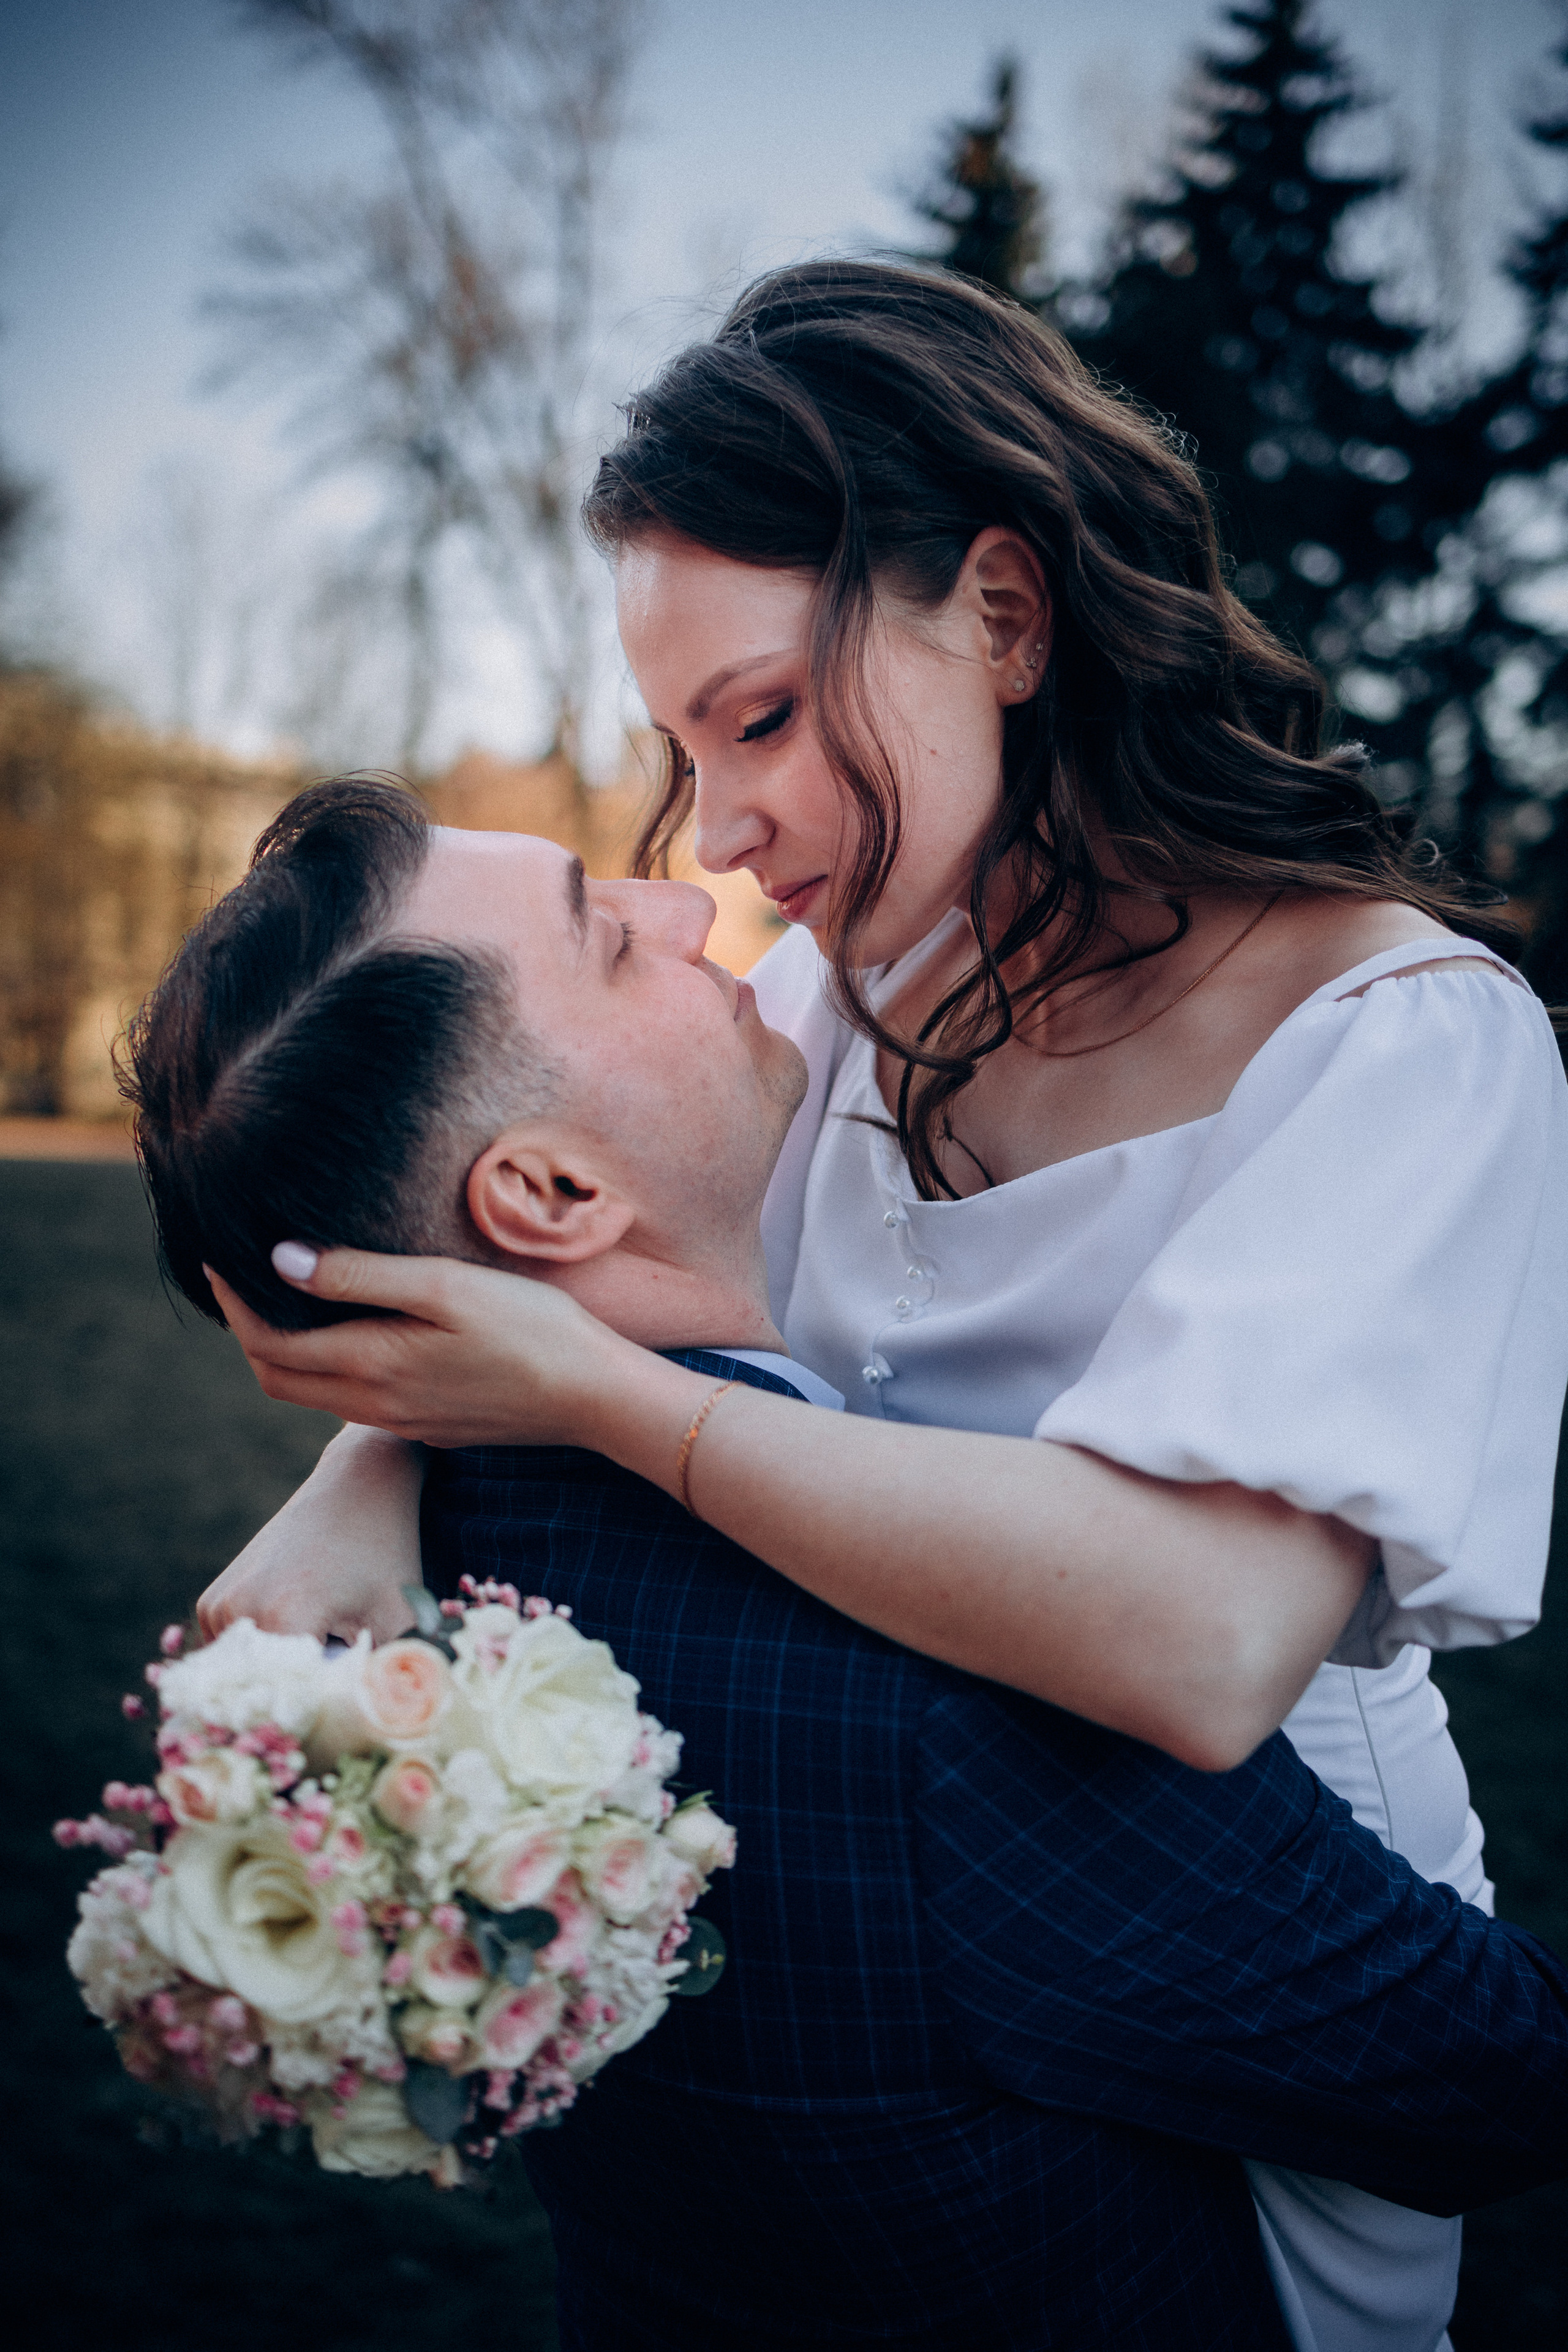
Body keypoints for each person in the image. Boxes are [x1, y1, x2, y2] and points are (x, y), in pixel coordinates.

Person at [181, 266, 1568, 2351]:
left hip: (1263, 1946)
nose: (721, 835)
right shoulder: (844, 996)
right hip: (925, 1952)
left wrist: (606, 1405)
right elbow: (576, 1216)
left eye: (759, 719)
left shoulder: (1403, 1044)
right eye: (682, 745)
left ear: (1000, 616)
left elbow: (1202, 1648)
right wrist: (371, 1460)